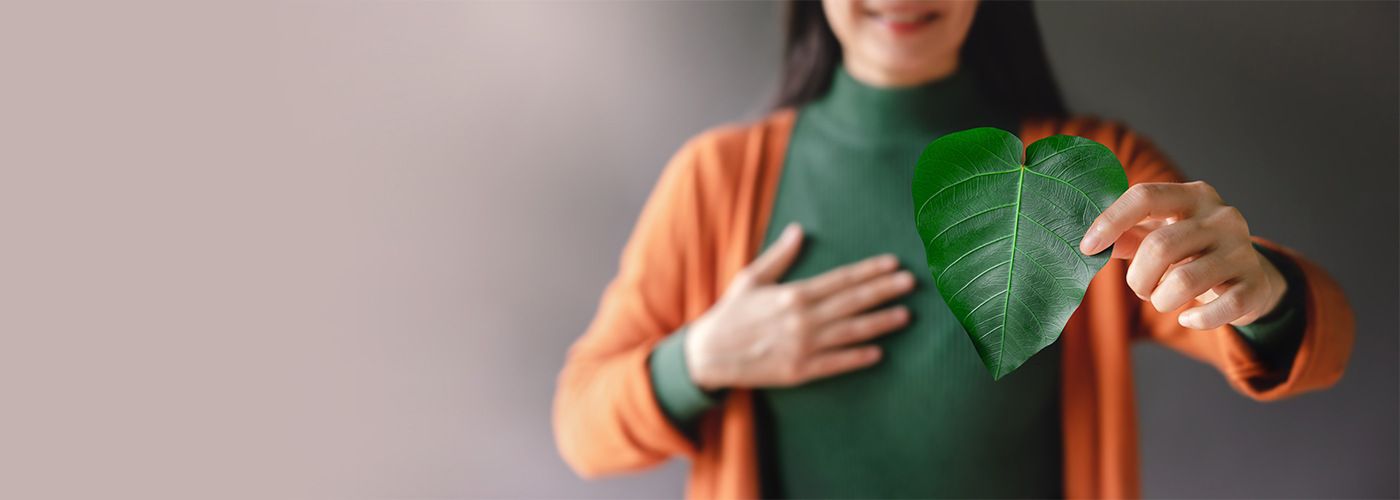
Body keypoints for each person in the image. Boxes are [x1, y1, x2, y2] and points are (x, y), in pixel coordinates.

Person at [553, 1, 1354, 498]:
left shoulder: (1091, 168)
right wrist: (699, 358)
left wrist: (1260, 293)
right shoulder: (715, 181)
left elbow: (1306, 345)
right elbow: (582, 427)